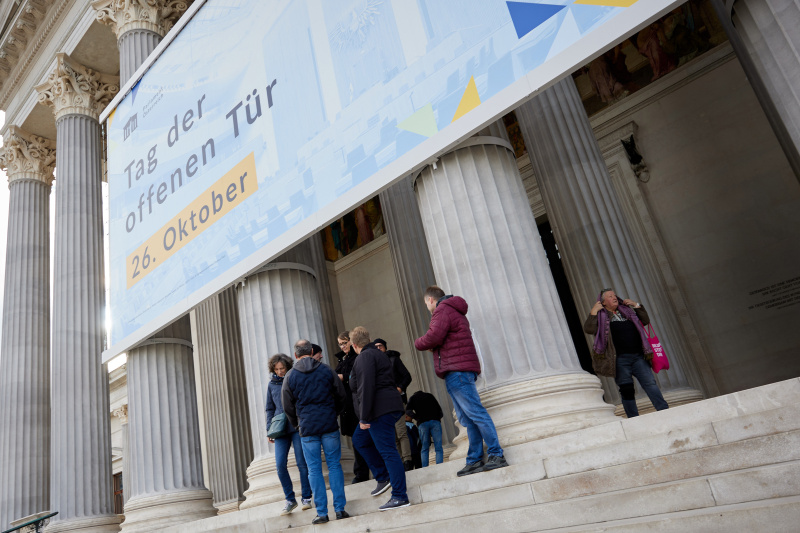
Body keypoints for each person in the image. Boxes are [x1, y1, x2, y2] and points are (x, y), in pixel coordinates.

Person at [414, 286, 509, 477]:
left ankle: (496, 454)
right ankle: (474, 459)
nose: (427, 306)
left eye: (426, 303)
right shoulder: (453, 310)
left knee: (476, 413)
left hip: (457, 370)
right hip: (458, 370)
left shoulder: (442, 310)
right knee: (468, 418)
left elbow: (433, 337)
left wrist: (419, 342)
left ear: (431, 300)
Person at [282, 339, 350, 524]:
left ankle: (321, 513)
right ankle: (340, 509)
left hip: (307, 428)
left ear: (296, 355)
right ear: (312, 351)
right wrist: (333, 413)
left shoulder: (290, 376)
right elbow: (341, 395)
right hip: (328, 424)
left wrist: (297, 423)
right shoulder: (326, 369)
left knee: (314, 470)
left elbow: (287, 406)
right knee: (335, 465)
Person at [349, 326, 411, 511]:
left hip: (379, 410)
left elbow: (366, 387)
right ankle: (383, 477)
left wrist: (364, 416)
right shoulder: (375, 354)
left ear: (354, 345)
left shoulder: (365, 357)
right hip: (384, 407)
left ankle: (400, 495)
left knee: (388, 451)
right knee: (359, 439)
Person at [583, 289, 669, 418]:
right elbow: (589, 329)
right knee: (627, 389)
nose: (614, 297)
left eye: (614, 295)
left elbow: (645, 321)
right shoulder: (601, 316)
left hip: (638, 356)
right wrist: (593, 312)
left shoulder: (627, 311)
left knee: (650, 383)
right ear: (603, 302)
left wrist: (636, 305)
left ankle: (664, 411)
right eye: (610, 296)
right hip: (619, 360)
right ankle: (633, 418)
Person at [265, 353, 313, 515]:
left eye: (282, 368)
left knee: (302, 463)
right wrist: (268, 429)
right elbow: (269, 408)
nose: (279, 371)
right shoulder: (271, 385)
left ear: (287, 367)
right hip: (279, 429)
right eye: (277, 369)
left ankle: (306, 497)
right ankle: (290, 499)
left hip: (296, 426)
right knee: (280, 465)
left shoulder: (293, 379)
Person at [333, 331, 371, 483]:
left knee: (361, 439)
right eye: (340, 344)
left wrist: (342, 378)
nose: (343, 346)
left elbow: (354, 377)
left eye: (345, 342)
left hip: (358, 404)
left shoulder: (358, 357)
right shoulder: (343, 360)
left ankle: (363, 472)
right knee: (356, 440)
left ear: (351, 341)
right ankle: (362, 472)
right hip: (347, 405)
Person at [374, 338, 413, 471]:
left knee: (401, 432)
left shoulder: (393, 359)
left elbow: (407, 376)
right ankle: (400, 461)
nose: (378, 348)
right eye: (376, 347)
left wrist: (400, 388)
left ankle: (407, 460)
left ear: (385, 347)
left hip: (397, 400)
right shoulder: (375, 363)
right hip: (384, 404)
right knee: (393, 435)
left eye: (380, 346)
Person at [405, 390, 444, 467]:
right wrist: (437, 418)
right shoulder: (430, 395)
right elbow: (440, 411)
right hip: (435, 421)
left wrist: (416, 417)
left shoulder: (413, 398)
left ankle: (425, 468)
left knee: (424, 448)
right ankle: (440, 466)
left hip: (422, 423)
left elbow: (408, 411)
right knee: (438, 446)